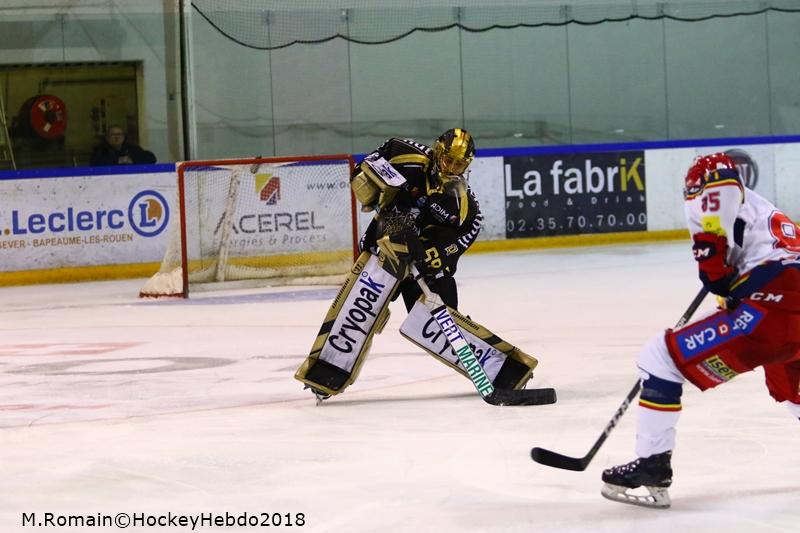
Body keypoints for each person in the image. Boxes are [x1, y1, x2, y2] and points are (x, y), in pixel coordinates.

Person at [601, 153, 800, 509]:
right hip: (787, 307)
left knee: (660, 357)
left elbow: (717, 269)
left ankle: (652, 467)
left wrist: (716, 274)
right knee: (790, 386)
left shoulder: (712, 190)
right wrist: (728, 287)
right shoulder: (766, 211)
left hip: (771, 309)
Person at [294, 128, 539, 402]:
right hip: (382, 252)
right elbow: (367, 167)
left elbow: (455, 243)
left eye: (459, 164)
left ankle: (503, 372)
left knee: (442, 325)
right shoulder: (405, 155)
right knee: (360, 310)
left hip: (422, 268)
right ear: (437, 152)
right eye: (448, 160)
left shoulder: (464, 207)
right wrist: (368, 184)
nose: (452, 168)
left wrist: (423, 252)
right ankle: (326, 372)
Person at [90, 125, 156, 166]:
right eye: (113, 135)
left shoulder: (132, 148)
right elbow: (95, 163)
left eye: (119, 134)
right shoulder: (100, 150)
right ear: (107, 137)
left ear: (124, 136)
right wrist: (118, 161)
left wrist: (132, 160)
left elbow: (151, 159)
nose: (116, 137)